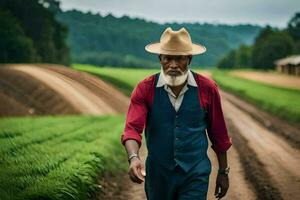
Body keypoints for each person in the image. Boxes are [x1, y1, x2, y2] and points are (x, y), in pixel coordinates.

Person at [120, 27, 232, 200]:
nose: (173, 65)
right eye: (167, 58)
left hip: (195, 173)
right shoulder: (145, 89)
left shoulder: (207, 89)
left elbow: (219, 134)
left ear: (190, 59)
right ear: (160, 58)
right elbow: (132, 129)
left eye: (179, 58)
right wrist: (134, 157)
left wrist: (223, 171)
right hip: (158, 176)